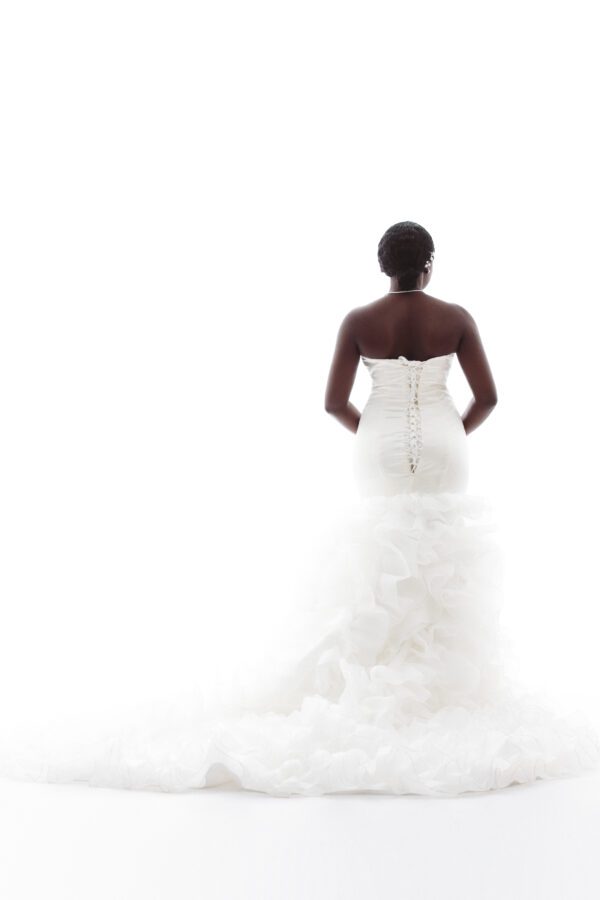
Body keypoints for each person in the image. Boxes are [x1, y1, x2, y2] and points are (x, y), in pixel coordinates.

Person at [0, 222, 598, 797]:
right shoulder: (457, 318)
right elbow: (488, 397)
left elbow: (335, 402)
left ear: (383, 266)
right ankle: (445, 691)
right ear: (431, 262)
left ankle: (373, 675)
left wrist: (374, 433)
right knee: (439, 552)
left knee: (381, 552)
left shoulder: (359, 321)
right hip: (446, 445)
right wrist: (453, 434)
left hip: (378, 443)